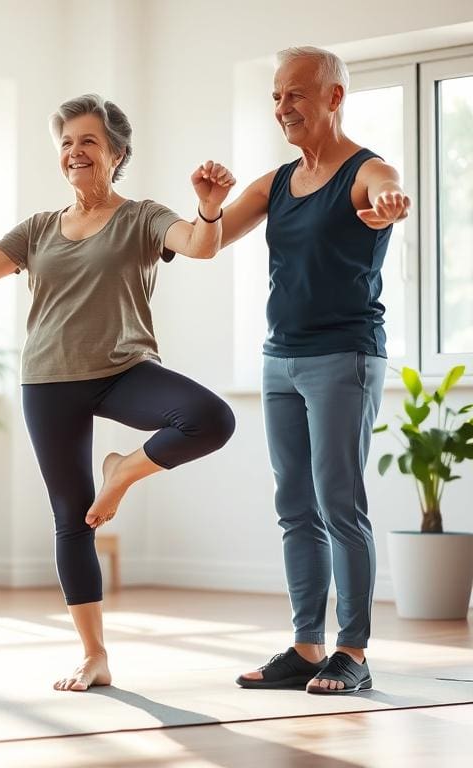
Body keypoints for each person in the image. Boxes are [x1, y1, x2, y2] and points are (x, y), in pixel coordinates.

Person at [0, 94, 237, 692]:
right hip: (49, 379)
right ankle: (94, 655)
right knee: (72, 517)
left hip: (124, 368)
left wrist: (208, 208)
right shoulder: (39, 228)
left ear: (116, 154)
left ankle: (122, 471)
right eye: (67, 143)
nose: (75, 152)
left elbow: (199, 244)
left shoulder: (143, 216)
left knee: (210, 418)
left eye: (88, 142)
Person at [220, 47, 411, 694]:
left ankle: (352, 649)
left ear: (333, 97)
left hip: (344, 356)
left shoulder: (366, 170)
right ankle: (306, 645)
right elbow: (209, 240)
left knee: (339, 502)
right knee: (295, 504)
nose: (282, 108)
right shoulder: (275, 182)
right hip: (281, 357)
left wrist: (389, 204)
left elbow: (386, 189)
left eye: (295, 94)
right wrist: (211, 205)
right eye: (276, 96)